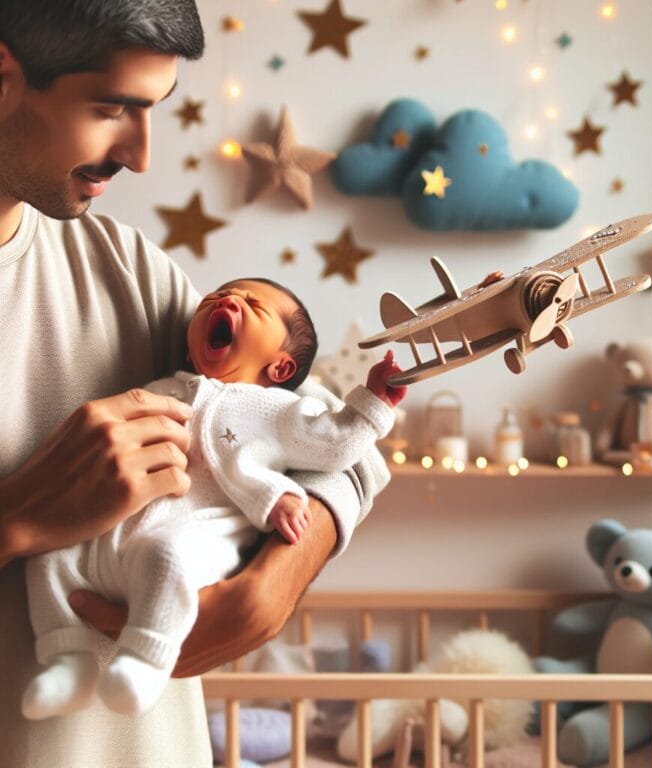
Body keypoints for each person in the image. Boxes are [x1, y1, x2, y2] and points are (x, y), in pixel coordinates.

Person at [0, 3, 389, 766]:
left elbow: (337, 446)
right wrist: (17, 517)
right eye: (111, 107)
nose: (141, 156)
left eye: (152, 112)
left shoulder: (128, 270)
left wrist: (281, 574)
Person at [23, 277, 406, 720]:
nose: (228, 299)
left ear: (280, 369)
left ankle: (145, 661)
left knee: (166, 558)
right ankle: (69, 659)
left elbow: (335, 444)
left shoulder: (275, 410)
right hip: (116, 528)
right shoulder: (163, 386)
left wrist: (373, 403)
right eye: (218, 297)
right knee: (50, 554)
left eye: (253, 305)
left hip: (196, 526)